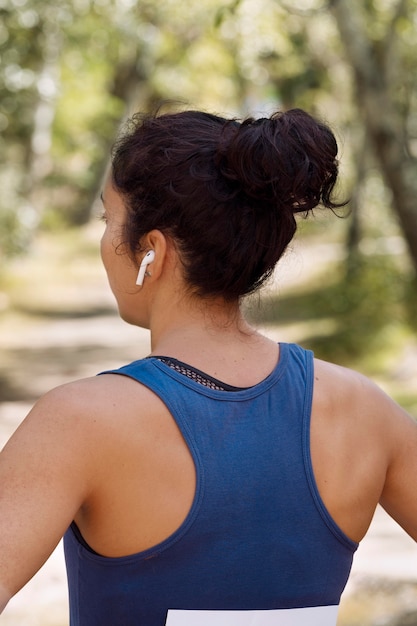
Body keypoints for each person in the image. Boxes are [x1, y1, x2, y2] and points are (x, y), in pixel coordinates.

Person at [0, 107, 416, 626]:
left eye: (110, 220)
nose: (105, 242)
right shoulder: (364, 411)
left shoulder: (80, 422)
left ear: (152, 250)